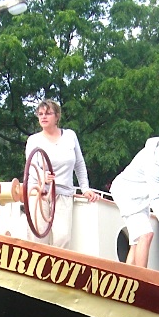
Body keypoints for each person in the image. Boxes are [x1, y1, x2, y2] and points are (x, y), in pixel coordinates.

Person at [109, 130, 159, 267]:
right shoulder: (155, 163)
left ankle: (128, 278)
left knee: (136, 242)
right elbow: (155, 199)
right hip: (127, 193)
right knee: (146, 234)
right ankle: (142, 280)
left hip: (141, 196)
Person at [24, 100, 98, 248]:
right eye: (40, 114)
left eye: (48, 113)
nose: (43, 117)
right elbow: (30, 166)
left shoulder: (70, 136)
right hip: (39, 193)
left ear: (57, 116)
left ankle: (57, 270)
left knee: (62, 238)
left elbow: (79, 164)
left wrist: (85, 188)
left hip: (63, 193)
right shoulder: (33, 140)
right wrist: (42, 176)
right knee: (38, 238)